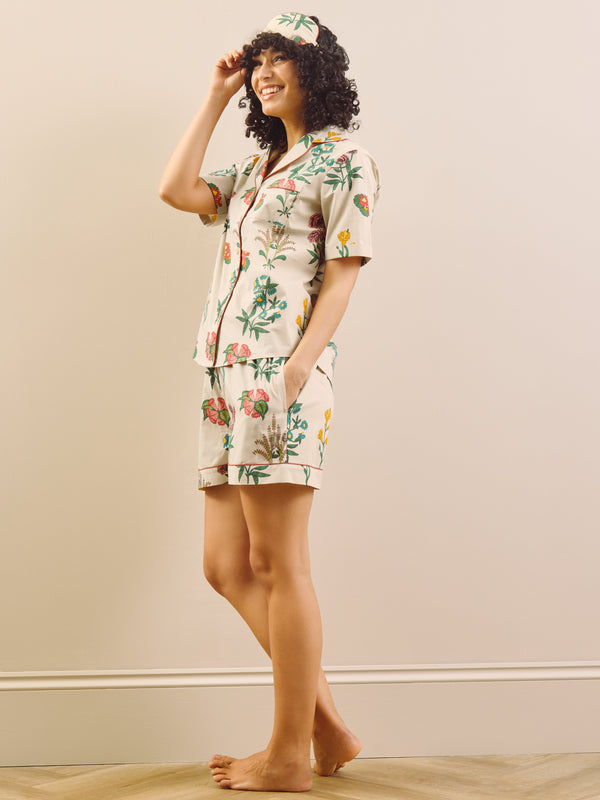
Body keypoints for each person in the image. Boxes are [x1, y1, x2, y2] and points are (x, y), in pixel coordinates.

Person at [159, 11, 380, 792]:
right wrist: (215, 95)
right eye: (258, 62)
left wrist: (297, 369)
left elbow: (344, 274)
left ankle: (290, 754)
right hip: (223, 379)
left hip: (278, 376)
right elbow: (176, 189)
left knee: (280, 564)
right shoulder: (255, 169)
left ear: (316, 74)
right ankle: (329, 729)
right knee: (227, 566)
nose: (264, 72)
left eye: (280, 59)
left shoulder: (344, 161)